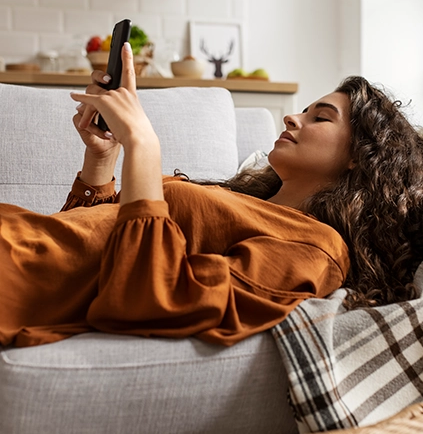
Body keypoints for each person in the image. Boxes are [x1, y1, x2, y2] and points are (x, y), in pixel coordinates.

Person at [0, 42, 422, 348]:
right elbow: (85, 236)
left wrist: (143, 145)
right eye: (304, 108)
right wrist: (103, 158)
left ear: (358, 157)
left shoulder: (317, 249)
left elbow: (147, 299)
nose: (292, 117)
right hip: (21, 240)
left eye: (320, 117)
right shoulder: (244, 200)